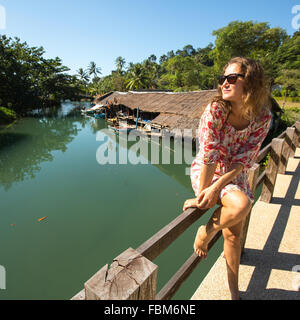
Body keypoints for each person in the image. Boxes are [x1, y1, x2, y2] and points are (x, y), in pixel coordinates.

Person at [183, 57, 272, 300]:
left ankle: (234, 292)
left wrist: (219, 188)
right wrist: (204, 193)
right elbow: (209, 156)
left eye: (232, 78)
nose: (224, 83)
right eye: (223, 79)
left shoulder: (262, 117)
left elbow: (244, 159)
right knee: (242, 205)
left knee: (234, 236)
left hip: (235, 174)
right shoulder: (216, 110)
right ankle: (207, 231)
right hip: (207, 171)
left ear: (251, 83)